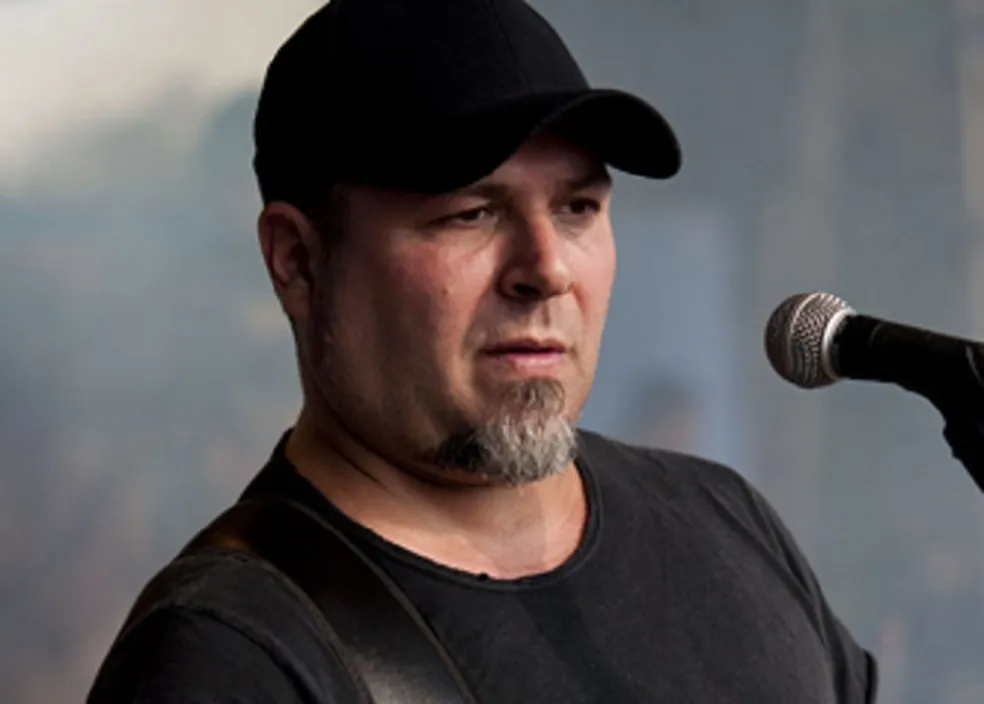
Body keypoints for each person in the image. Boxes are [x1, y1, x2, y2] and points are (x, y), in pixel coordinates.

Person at [87, 0, 878, 701]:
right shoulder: (227, 658)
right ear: (298, 261)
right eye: (470, 213)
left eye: (577, 207)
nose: (547, 268)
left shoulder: (727, 523)